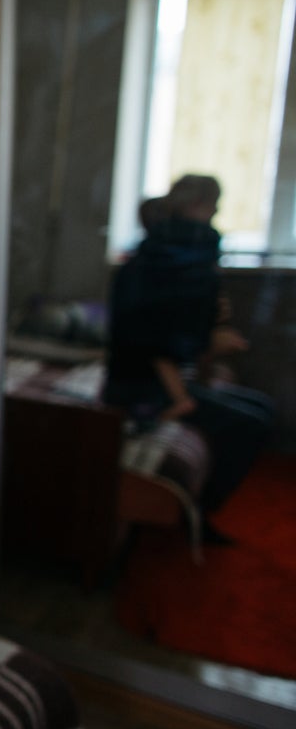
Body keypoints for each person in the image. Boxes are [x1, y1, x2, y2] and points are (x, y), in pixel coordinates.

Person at [103, 174, 274, 535]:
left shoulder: (168, 258)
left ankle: (199, 506)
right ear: (197, 206)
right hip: (141, 386)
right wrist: (209, 342)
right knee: (252, 423)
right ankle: (196, 514)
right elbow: (153, 341)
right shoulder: (174, 263)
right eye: (213, 205)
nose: (216, 212)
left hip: (156, 377)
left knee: (261, 409)